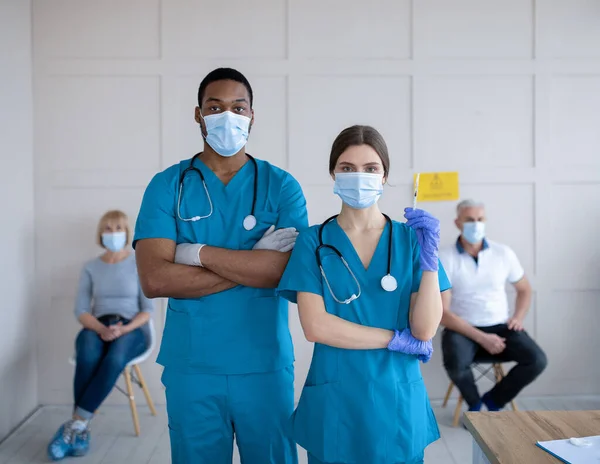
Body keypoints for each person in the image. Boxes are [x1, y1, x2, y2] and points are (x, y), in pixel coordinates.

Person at [133, 68, 306, 464]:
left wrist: (195, 253)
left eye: (237, 108)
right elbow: (155, 279)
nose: (227, 116)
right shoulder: (168, 185)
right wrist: (252, 261)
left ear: (251, 116)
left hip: (264, 365)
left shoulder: (281, 186)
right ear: (198, 115)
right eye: (215, 107)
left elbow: (281, 272)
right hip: (192, 366)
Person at [277, 125, 452, 464]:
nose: (359, 177)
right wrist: (392, 338)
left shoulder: (409, 240)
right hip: (337, 398)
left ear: (384, 175)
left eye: (371, 169)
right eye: (347, 168)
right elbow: (316, 327)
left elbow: (424, 330)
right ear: (333, 173)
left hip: (397, 399)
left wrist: (429, 261)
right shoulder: (314, 242)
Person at [47, 210, 154, 461]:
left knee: (116, 357)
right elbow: (81, 310)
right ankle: (80, 429)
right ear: (100, 233)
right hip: (99, 325)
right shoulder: (91, 267)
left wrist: (122, 329)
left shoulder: (139, 263)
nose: (113, 232)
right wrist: (101, 329)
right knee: (86, 349)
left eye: (118, 227)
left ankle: (76, 424)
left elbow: (147, 311)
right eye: (108, 228)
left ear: (126, 232)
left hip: (131, 329)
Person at [439, 199, 547, 413]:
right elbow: (442, 313)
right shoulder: (444, 258)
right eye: (470, 220)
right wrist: (481, 337)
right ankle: (476, 407)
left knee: (537, 360)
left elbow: (524, 289)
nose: (476, 224)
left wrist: (518, 317)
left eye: (480, 219)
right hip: (462, 330)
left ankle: (492, 402)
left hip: (500, 327)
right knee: (455, 364)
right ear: (457, 222)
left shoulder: (503, 253)